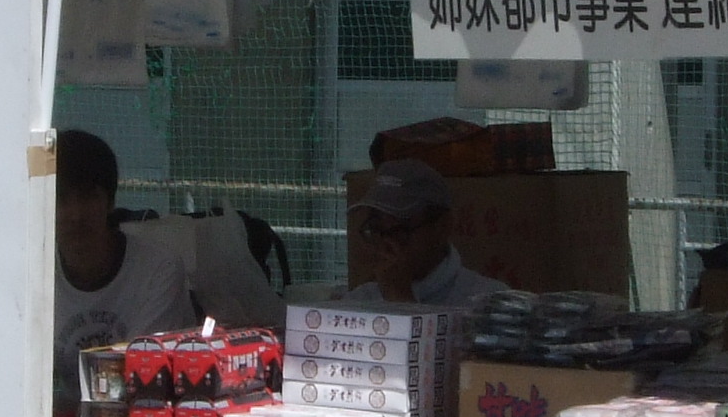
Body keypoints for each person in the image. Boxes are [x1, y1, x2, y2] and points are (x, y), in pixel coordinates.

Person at [53, 128, 281, 391]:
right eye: (62, 199)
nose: (75, 214)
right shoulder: (31, 270)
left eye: (88, 197)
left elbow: (141, 374)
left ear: (110, 201)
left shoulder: (158, 269)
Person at [333, 156, 514, 313]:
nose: (387, 246)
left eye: (400, 231)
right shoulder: (361, 301)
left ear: (442, 227)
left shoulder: (489, 304)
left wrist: (400, 299)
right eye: (376, 230)